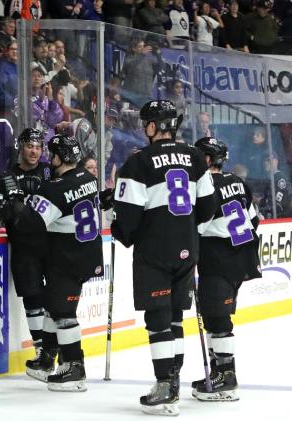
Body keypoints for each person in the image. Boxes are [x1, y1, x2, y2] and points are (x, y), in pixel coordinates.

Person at [111, 100, 217, 416]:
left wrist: (121, 232)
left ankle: (164, 385)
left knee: (157, 319)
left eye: (146, 123)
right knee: (174, 316)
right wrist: (185, 229)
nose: (144, 129)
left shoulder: (139, 162)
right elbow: (209, 206)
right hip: (187, 249)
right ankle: (174, 381)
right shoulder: (196, 157)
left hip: (154, 251)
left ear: (155, 127)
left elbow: (127, 218)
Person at [1, 134, 103, 392]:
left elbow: (31, 227)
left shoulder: (54, 188)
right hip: (88, 254)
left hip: (66, 259)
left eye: (52, 154)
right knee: (52, 307)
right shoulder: (89, 179)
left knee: (63, 313)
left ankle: (73, 367)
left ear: (58, 157)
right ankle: (47, 358)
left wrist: (16, 207)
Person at [191, 137, 261, 401]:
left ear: (207, 160)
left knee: (219, 319)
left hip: (219, 260)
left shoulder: (204, 188)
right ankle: (218, 372)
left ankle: (227, 376)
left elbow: (194, 227)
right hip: (240, 258)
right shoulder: (237, 181)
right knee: (213, 315)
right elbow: (254, 220)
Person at [0, 128, 51, 381]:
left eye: (38, 147)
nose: (34, 151)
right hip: (22, 247)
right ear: (21, 147)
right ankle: (41, 351)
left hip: (50, 244)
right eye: (30, 146)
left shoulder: (50, 173)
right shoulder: (7, 175)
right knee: (32, 298)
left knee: (53, 299)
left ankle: (53, 350)